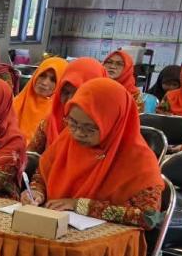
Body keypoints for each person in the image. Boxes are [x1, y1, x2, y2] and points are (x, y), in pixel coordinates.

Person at [26, 78, 163, 229]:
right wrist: (36, 193)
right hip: (55, 226)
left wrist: (81, 205)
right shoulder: (67, 140)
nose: (78, 133)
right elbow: (42, 176)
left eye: (89, 128)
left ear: (113, 123)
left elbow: (149, 217)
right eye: (72, 123)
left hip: (108, 238)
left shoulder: (139, 161)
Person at [27, 57, 106, 154]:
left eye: (78, 93)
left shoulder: (106, 132)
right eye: (66, 92)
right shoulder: (49, 123)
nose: (70, 101)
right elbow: (29, 157)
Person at [12, 57, 68, 141]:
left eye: (53, 80)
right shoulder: (15, 104)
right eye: (42, 75)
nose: (44, 83)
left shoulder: (62, 116)